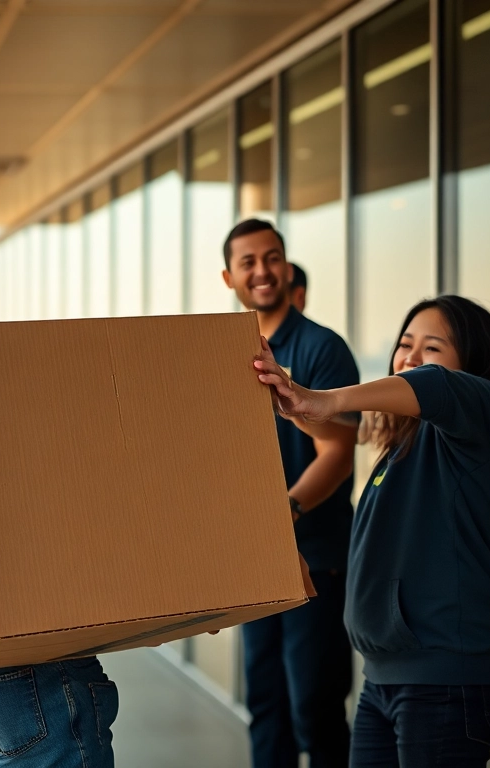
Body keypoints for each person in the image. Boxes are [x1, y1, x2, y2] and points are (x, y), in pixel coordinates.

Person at [252, 295, 490, 768]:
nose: (409, 357)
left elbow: (438, 388)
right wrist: (294, 405)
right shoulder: (403, 448)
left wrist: (323, 398)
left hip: (446, 677)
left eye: (431, 347)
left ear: (468, 363)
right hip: (385, 678)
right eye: (404, 343)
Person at [220, 218, 357, 768]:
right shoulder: (221, 352)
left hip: (315, 556)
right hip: (254, 559)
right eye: (248, 262)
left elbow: (339, 454)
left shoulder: (324, 349)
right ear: (228, 276)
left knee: (316, 709)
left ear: (286, 265)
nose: (262, 270)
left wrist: (289, 508)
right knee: (267, 705)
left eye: (271, 257)